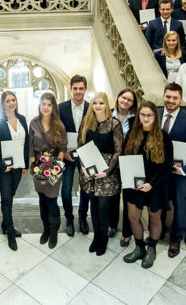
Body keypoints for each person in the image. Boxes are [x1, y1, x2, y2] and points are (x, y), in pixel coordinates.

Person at [122, 101, 173, 269]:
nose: (145, 118)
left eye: (149, 115)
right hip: (134, 184)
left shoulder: (163, 136)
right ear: (139, 116)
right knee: (133, 217)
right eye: (142, 115)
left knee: (154, 218)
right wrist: (130, 180)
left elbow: (167, 166)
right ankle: (139, 248)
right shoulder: (131, 134)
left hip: (155, 185)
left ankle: (151, 248)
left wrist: (151, 184)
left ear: (155, 117)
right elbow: (126, 159)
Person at [157, 84, 186, 258]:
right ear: (163, 96)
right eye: (168, 97)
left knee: (179, 204)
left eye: (175, 98)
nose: (171, 101)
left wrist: (185, 170)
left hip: (180, 172)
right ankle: (158, 232)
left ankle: (176, 238)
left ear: (181, 98)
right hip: (160, 171)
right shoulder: (156, 114)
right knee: (160, 201)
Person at [77, 92, 123, 255]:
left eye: (101, 103)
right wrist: (83, 167)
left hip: (107, 171)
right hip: (89, 168)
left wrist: (107, 171)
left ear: (106, 105)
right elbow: (80, 145)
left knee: (103, 207)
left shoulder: (114, 124)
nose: (98, 106)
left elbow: (118, 151)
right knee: (93, 206)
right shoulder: (86, 122)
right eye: (95, 103)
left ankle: (103, 239)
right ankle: (96, 237)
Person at [0, 91, 29, 250]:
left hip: (19, 165)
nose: (11, 103)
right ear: (2, 104)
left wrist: (25, 164)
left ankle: (5, 224)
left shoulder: (22, 119)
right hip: (4, 168)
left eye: (13, 100)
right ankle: (10, 232)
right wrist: (0, 165)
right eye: (8, 101)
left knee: (10, 196)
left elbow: (27, 143)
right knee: (6, 197)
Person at [29, 92, 67, 249]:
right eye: (43, 104)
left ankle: (54, 232)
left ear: (53, 107)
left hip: (53, 167)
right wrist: (32, 166)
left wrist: (56, 168)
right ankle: (45, 230)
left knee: (52, 201)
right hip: (38, 166)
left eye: (49, 104)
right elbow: (30, 147)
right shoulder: (33, 123)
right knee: (42, 201)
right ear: (39, 106)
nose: (46, 107)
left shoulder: (59, 125)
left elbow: (62, 149)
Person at [59, 75, 90, 236]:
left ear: (85, 89)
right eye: (75, 88)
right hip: (67, 155)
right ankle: (69, 218)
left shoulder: (92, 108)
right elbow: (56, 133)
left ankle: (83, 217)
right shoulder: (60, 108)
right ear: (70, 89)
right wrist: (63, 151)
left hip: (85, 155)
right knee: (66, 189)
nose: (78, 91)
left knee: (86, 189)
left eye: (81, 88)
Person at [110, 89, 137, 246]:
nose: (125, 101)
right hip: (113, 162)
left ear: (133, 104)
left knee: (128, 199)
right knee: (113, 196)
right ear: (118, 97)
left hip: (129, 163)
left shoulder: (136, 119)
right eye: (123, 97)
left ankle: (127, 232)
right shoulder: (108, 115)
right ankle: (112, 225)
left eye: (129, 100)